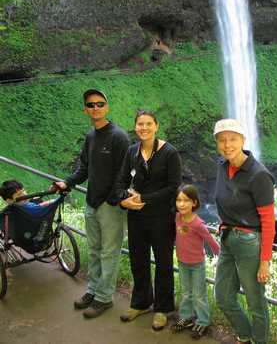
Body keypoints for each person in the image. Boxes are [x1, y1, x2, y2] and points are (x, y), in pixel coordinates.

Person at [53, 89, 130, 319]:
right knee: (95, 251)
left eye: (99, 104)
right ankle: (93, 290)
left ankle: (104, 298)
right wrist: (67, 183)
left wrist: (112, 199)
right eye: (91, 105)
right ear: (85, 109)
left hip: (110, 206)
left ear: (106, 107)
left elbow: (124, 173)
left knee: (109, 253)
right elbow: (84, 168)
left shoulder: (119, 136)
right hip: (91, 203)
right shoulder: (91, 136)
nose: (95, 108)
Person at [115, 110, 182, 331]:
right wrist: (124, 200)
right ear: (135, 127)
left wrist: (143, 198)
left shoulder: (169, 153)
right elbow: (121, 181)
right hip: (136, 217)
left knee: (163, 263)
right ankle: (141, 303)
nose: (144, 128)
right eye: (140, 124)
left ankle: (162, 309)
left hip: (161, 217)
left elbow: (173, 188)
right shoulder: (131, 151)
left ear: (156, 126)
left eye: (148, 124)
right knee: (138, 260)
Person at [213, 119, 276, 344]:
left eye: (233, 139)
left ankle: (259, 341)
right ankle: (246, 334)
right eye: (222, 140)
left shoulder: (259, 176)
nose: (227, 144)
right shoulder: (222, 166)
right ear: (217, 143)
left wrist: (265, 261)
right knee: (222, 297)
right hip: (227, 237)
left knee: (255, 302)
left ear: (243, 140)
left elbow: (268, 220)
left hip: (250, 242)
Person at [171, 184, 220, 339]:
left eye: (186, 200)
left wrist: (220, 256)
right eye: (178, 200)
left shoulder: (198, 224)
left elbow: (210, 241)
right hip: (182, 261)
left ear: (194, 203)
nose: (181, 204)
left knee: (199, 294)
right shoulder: (177, 217)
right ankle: (186, 316)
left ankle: (203, 321)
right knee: (185, 291)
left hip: (197, 264)